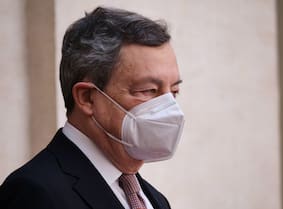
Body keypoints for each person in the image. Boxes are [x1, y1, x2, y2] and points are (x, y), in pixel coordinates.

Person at [0, 6, 184, 209]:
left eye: (174, 92)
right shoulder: (34, 192)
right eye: (148, 90)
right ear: (87, 98)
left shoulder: (154, 200)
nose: (168, 108)